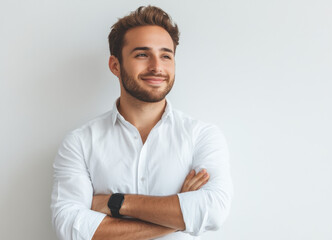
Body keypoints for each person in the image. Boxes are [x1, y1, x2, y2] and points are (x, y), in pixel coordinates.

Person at [51, 5, 233, 240]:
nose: (157, 66)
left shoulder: (202, 136)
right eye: (142, 54)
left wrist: (116, 203)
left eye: (166, 55)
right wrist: (178, 214)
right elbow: (70, 229)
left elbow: (213, 212)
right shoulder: (79, 142)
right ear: (115, 65)